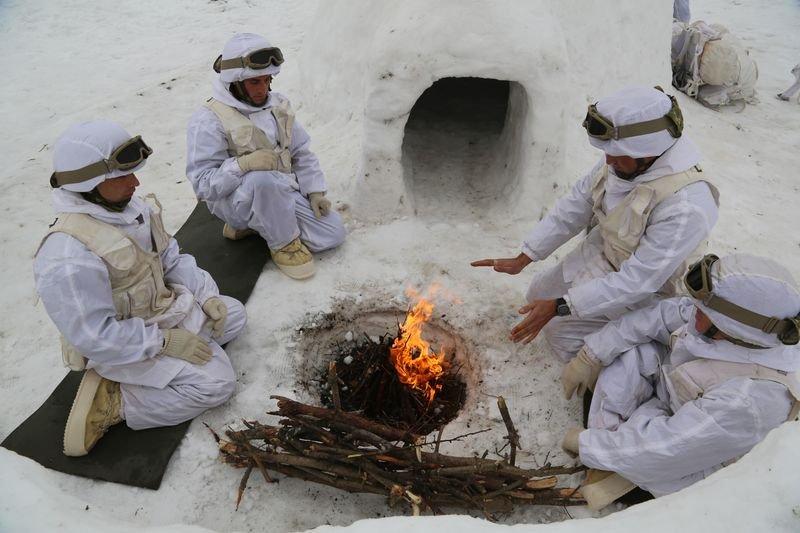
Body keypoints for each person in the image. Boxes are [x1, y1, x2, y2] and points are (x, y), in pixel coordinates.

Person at [35, 121, 247, 457]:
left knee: (232, 314)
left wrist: (205, 296)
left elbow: (170, 259)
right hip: (122, 345)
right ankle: (118, 402)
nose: (136, 182)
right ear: (90, 183)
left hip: (159, 313)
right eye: (122, 176)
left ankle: (173, 365)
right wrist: (165, 343)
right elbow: (95, 336)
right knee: (218, 384)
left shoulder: (130, 209)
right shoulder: (68, 255)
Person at [472, 86, 719, 362]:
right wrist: (526, 255)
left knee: (560, 335)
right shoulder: (625, 161)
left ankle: (638, 358)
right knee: (537, 294)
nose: (608, 159)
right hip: (607, 252)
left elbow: (638, 281)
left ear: (648, 151)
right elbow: (577, 202)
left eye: (616, 153)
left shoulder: (687, 206)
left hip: (650, 291)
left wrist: (562, 307)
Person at [560, 254, 800, 510]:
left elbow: (667, 448)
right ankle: (612, 453)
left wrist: (586, 445)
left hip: (696, 455)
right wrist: (590, 356)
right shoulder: (723, 322)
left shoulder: (750, 398)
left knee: (653, 463)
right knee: (632, 351)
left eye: (704, 311)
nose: (693, 310)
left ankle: (617, 472)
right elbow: (659, 317)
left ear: (736, 328)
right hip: (678, 396)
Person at [186, 33, 346, 280]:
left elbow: (300, 151)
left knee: (332, 234)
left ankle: (253, 226)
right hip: (236, 201)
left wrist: (315, 191)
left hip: (281, 191)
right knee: (262, 180)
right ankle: (283, 244)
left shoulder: (277, 105)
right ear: (235, 82)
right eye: (254, 83)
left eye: (266, 80)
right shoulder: (208, 119)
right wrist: (242, 165)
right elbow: (203, 184)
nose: (263, 89)